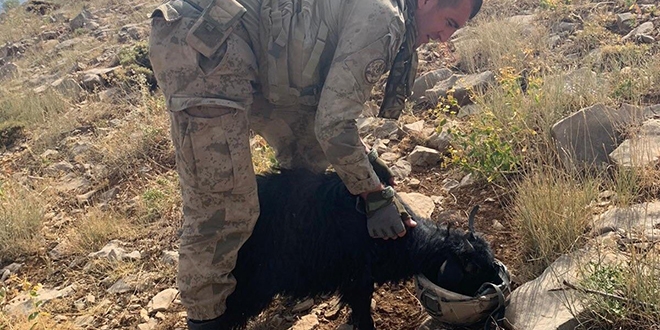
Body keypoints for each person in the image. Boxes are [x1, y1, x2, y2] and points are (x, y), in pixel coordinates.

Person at [147, 0, 482, 328]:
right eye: (449, 23)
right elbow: (334, 125)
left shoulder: (391, 17)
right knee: (223, 204)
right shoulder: (386, 18)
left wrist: (367, 173)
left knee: (307, 159)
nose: (445, 39)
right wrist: (374, 194)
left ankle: (294, 261)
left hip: (252, 53)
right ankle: (209, 317)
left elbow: (326, 123)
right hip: (204, 44)